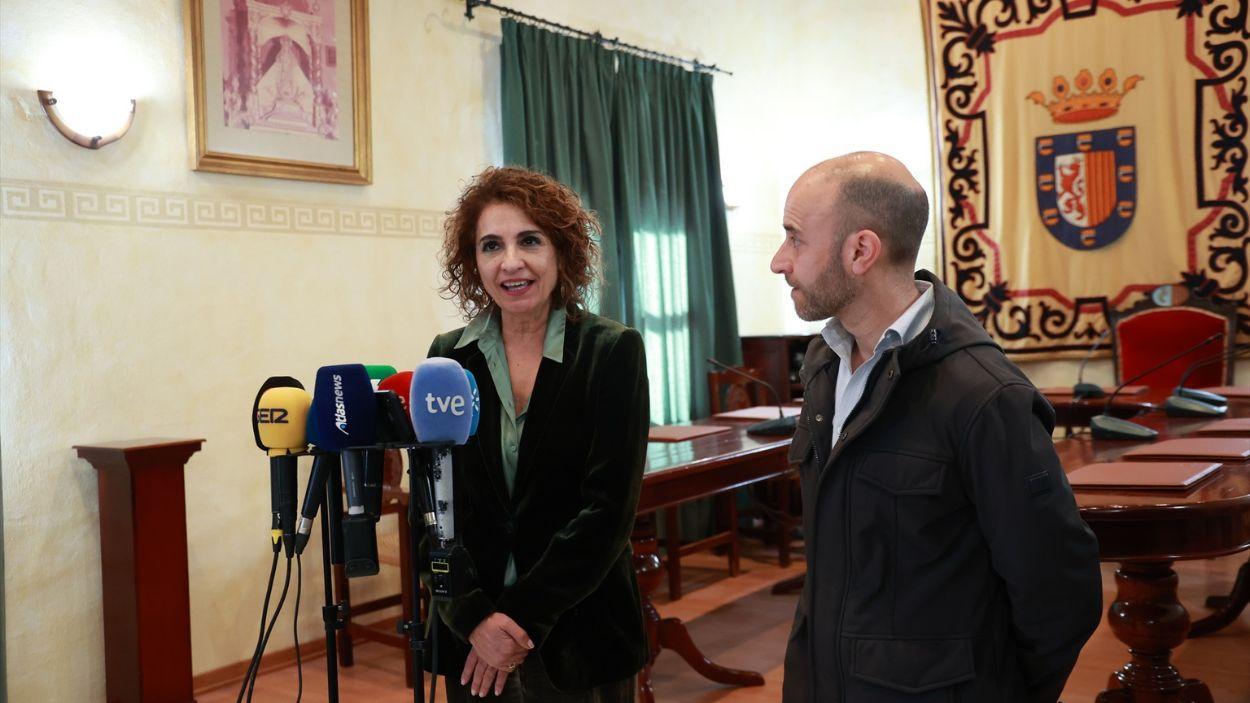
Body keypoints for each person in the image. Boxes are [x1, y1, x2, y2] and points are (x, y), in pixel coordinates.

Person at [770, 152, 1102, 702]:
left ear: (861, 251)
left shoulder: (983, 395)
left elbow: (1057, 587)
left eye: (795, 238)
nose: (780, 261)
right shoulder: (825, 364)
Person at [423, 166, 649, 701]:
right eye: (491, 246)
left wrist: (517, 622)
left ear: (561, 252)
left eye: (530, 240)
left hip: (579, 634)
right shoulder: (447, 358)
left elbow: (607, 513)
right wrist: (475, 619)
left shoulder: (611, 351)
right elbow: (433, 509)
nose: (511, 262)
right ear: (472, 262)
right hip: (471, 641)